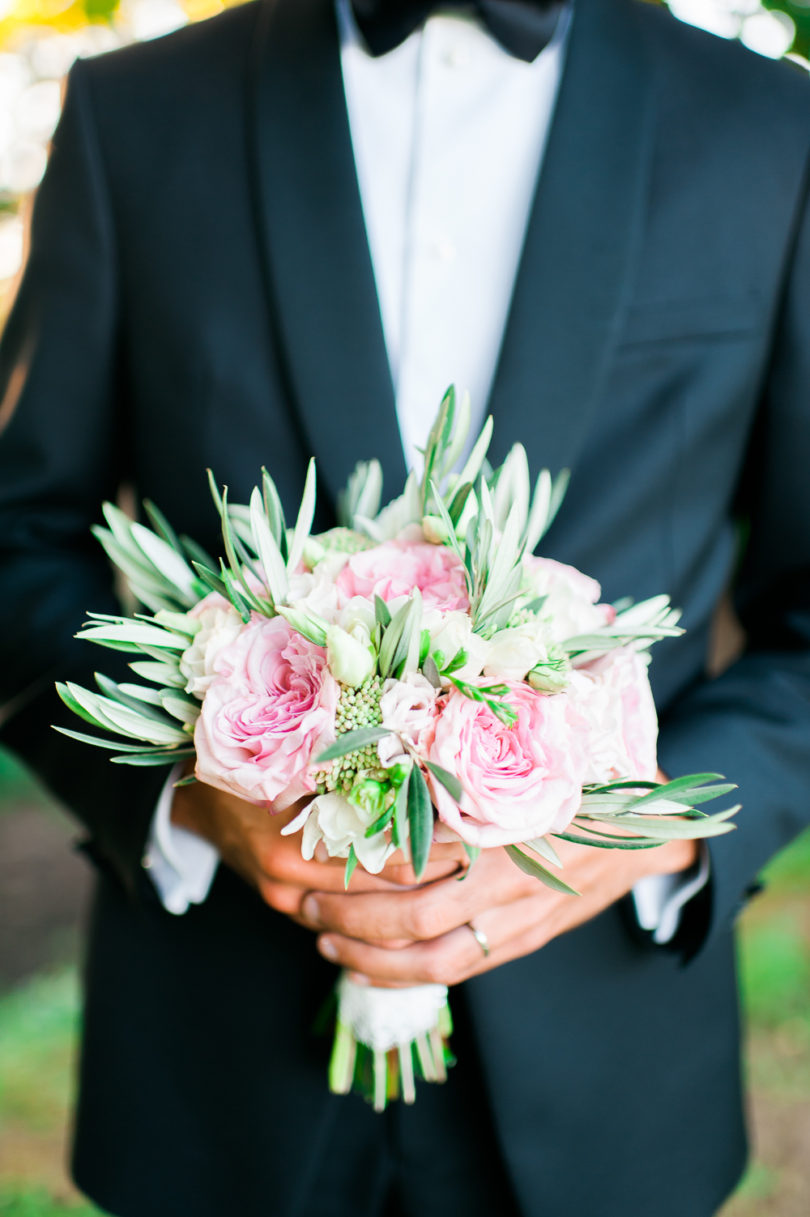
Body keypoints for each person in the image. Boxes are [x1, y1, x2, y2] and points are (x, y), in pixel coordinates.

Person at [1, 0, 809, 1214]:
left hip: (610, 1083)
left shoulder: (771, 128)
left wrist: (643, 837)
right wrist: (187, 799)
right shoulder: (138, 116)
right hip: (212, 1079)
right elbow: (17, 541)